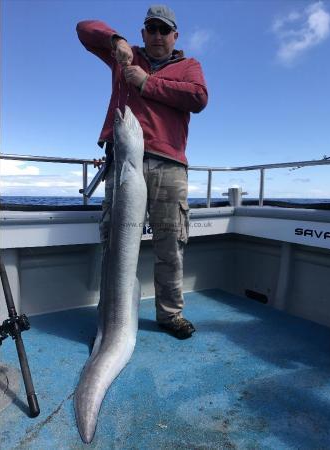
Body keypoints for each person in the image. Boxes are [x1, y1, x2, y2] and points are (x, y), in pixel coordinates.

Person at [76, 5, 208, 339]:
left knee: (170, 241)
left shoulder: (188, 66)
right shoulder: (125, 57)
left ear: (175, 36)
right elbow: (83, 28)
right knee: (114, 245)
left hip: (169, 165)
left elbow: (198, 97)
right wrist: (115, 40)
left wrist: (148, 83)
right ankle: (111, 317)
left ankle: (169, 314)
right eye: (151, 28)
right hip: (122, 163)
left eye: (165, 30)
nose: (158, 35)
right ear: (142, 33)